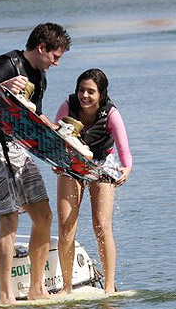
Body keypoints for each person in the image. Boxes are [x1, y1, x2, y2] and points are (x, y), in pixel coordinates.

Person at [0, 23, 71, 305]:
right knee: (10, 220)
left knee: (43, 215)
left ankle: (37, 287)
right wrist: (0, 88)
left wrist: (59, 143)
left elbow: (33, 119)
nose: (57, 63)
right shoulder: (6, 64)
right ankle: (5, 296)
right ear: (41, 48)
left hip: (18, 148)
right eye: (55, 56)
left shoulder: (40, 76)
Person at [54, 68, 132, 294]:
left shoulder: (111, 114)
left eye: (90, 91)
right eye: (81, 90)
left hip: (101, 164)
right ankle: (66, 287)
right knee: (67, 225)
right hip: (71, 164)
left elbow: (124, 150)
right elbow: (55, 140)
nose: (84, 96)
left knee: (101, 224)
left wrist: (126, 169)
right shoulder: (67, 107)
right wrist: (58, 162)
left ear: (101, 94)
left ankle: (109, 286)